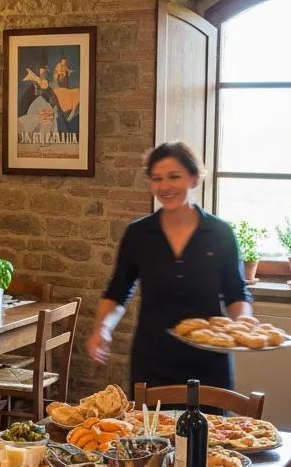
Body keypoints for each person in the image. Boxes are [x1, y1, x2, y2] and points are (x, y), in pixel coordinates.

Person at [87, 142, 252, 390]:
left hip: (210, 362)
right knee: (151, 429)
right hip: (152, 359)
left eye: (174, 177)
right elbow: (118, 291)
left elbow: (236, 292)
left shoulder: (220, 233)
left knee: (214, 430)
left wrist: (243, 324)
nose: (165, 186)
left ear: (194, 179)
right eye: (157, 179)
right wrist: (103, 329)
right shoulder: (139, 233)